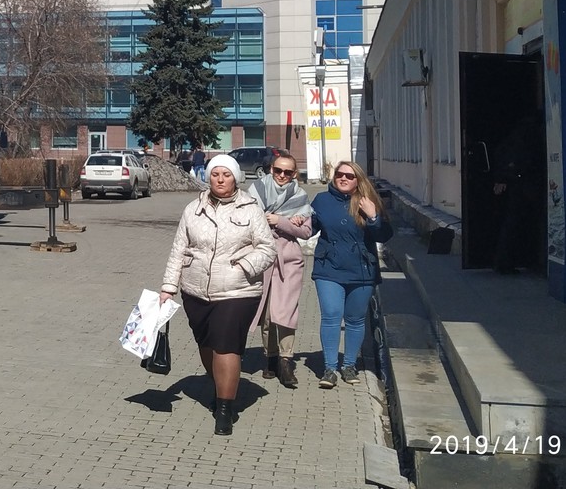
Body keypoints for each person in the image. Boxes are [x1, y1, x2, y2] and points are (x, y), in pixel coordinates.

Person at [159, 154, 276, 436]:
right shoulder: (192, 209)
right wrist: (168, 288)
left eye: (226, 175)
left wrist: (243, 267)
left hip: (238, 290)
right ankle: (219, 383)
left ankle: (225, 408)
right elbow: (179, 249)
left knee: (226, 345)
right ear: (208, 177)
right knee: (207, 343)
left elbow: (267, 249)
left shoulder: (251, 209)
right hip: (195, 289)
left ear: (235, 178)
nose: (220, 179)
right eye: (215, 175)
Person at [309, 160, 393, 388]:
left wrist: (373, 216)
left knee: (355, 320)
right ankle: (329, 368)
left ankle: (349, 365)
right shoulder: (321, 200)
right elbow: (310, 228)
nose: (343, 178)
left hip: (361, 270)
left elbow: (384, 235)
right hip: (329, 268)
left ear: (358, 181)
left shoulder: (368, 202)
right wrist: (297, 221)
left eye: (349, 176)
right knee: (331, 315)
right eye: (340, 175)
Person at [245, 151, 312, 389]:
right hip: (262, 260)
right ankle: (270, 357)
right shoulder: (255, 192)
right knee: (266, 315)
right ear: (271, 169)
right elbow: (244, 223)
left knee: (285, 313)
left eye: (288, 172)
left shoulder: (300, 196)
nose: (282, 176)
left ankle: (286, 361)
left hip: (289, 262)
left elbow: (306, 232)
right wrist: (267, 220)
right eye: (278, 170)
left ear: (294, 174)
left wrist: (280, 222)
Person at [490, 114, 544, 274]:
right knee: (519, 223)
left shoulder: (514, 137)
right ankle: (510, 262)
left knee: (512, 223)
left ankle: (506, 262)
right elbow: (526, 160)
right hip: (524, 185)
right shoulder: (529, 136)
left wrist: (501, 178)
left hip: (515, 184)